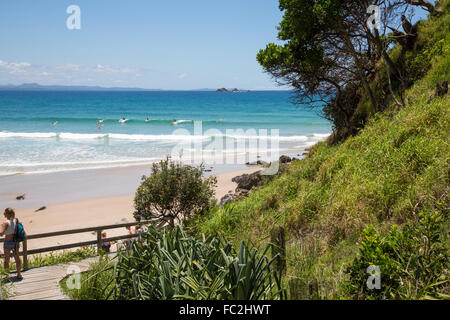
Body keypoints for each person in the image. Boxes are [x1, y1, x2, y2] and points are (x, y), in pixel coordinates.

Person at [0, 208, 22, 279]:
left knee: (6, 260)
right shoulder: (15, 221)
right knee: (17, 258)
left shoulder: (5, 223)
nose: (4, 214)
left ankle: (6, 276)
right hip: (15, 241)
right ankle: (19, 274)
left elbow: (1, 233)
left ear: (7, 214)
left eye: (5, 213)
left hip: (8, 242)